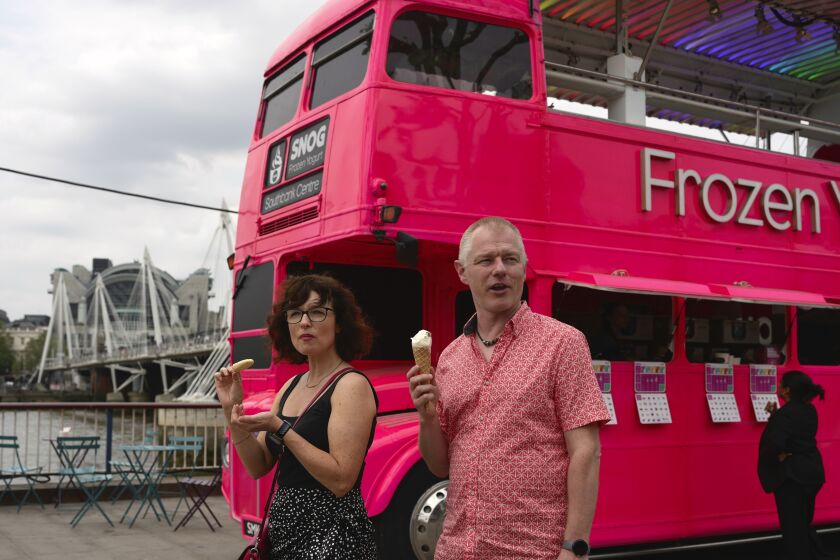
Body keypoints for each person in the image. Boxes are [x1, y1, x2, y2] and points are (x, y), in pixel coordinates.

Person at [407, 216, 611, 560]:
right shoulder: (451, 357)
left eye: (510, 259)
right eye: (486, 260)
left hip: (534, 551)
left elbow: (586, 452)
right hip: (456, 550)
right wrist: (427, 417)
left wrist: (574, 547)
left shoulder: (563, 343)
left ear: (524, 267)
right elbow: (439, 466)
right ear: (462, 271)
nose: (499, 270)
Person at [215, 274, 378, 560]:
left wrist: (281, 428)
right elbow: (258, 465)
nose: (304, 322)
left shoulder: (351, 385)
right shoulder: (290, 388)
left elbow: (342, 480)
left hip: (333, 537)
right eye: (295, 313)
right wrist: (232, 410)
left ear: (339, 323)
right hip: (283, 532)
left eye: (317, 311)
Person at [758, 370, 831, 560]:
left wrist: (776, 458)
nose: (778, 387)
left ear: (788, 390)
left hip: (793, 475)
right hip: (812, 471)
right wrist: (777, 414)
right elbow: (796, 430)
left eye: (781, 384)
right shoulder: (809, 410)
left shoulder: (784, 415)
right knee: (803, 523)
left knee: (793, 529)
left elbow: (774, 443)